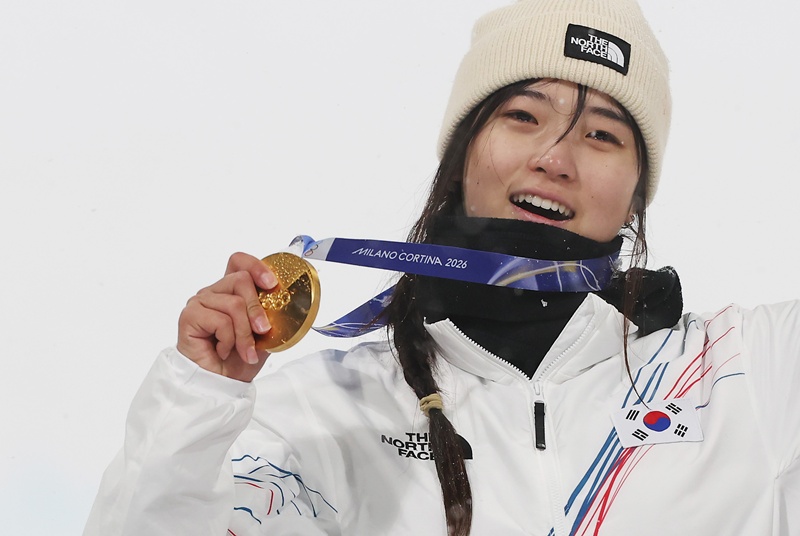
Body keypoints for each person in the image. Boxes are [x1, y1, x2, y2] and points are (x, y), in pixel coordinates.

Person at [84, 0, 800, 534]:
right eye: (523, 115)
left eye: (603, 134)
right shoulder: (324, 415)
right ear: (461, 152)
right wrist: (196, 400)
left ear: (637, 193)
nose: (555, 156)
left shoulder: (751, 377)